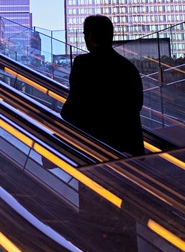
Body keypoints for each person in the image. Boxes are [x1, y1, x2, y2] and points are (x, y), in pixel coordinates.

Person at [60, 15, 145, 157]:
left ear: (91, 35)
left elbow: (76, 103)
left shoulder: (84, 63)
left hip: (95, 146)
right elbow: (137, 104)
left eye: (85, 34)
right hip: (126, 146)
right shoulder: (128, 67)